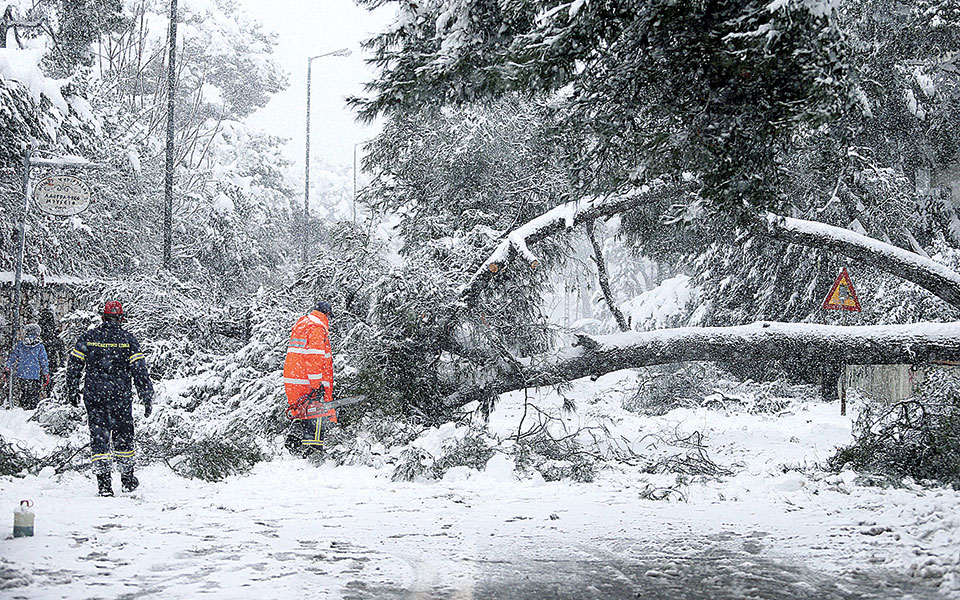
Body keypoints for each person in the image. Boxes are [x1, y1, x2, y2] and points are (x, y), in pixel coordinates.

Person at [65, 301, 154, 497]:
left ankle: (104, 484)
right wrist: (146, 396)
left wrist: (72, 390)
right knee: (124, 437)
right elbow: (139, 371)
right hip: (120, 397)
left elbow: (74, 365)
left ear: (103, 317)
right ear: (121, 319)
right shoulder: (128, 340)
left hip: (95, 396)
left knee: (99, 438)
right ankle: (128, 479)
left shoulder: (89, 338)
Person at [283, 301, 335, 456]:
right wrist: (316, 384)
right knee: (317, 415)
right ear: (326, 314)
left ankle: (295, 444)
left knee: (302, 412)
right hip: (307, 380)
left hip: (294, 379)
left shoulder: (302, 324)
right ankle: (313, 453)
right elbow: (314, 357)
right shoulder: (317, 328)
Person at [2, 323, 50, 410]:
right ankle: (31, 411)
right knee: (34, 395)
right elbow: (44, 361)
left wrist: (7, 366)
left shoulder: (21, 344)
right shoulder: (40, 346)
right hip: (35, 374)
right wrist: (45, 373)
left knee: (24, 392)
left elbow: (13, 356)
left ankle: (24, 409)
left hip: (22, 373)